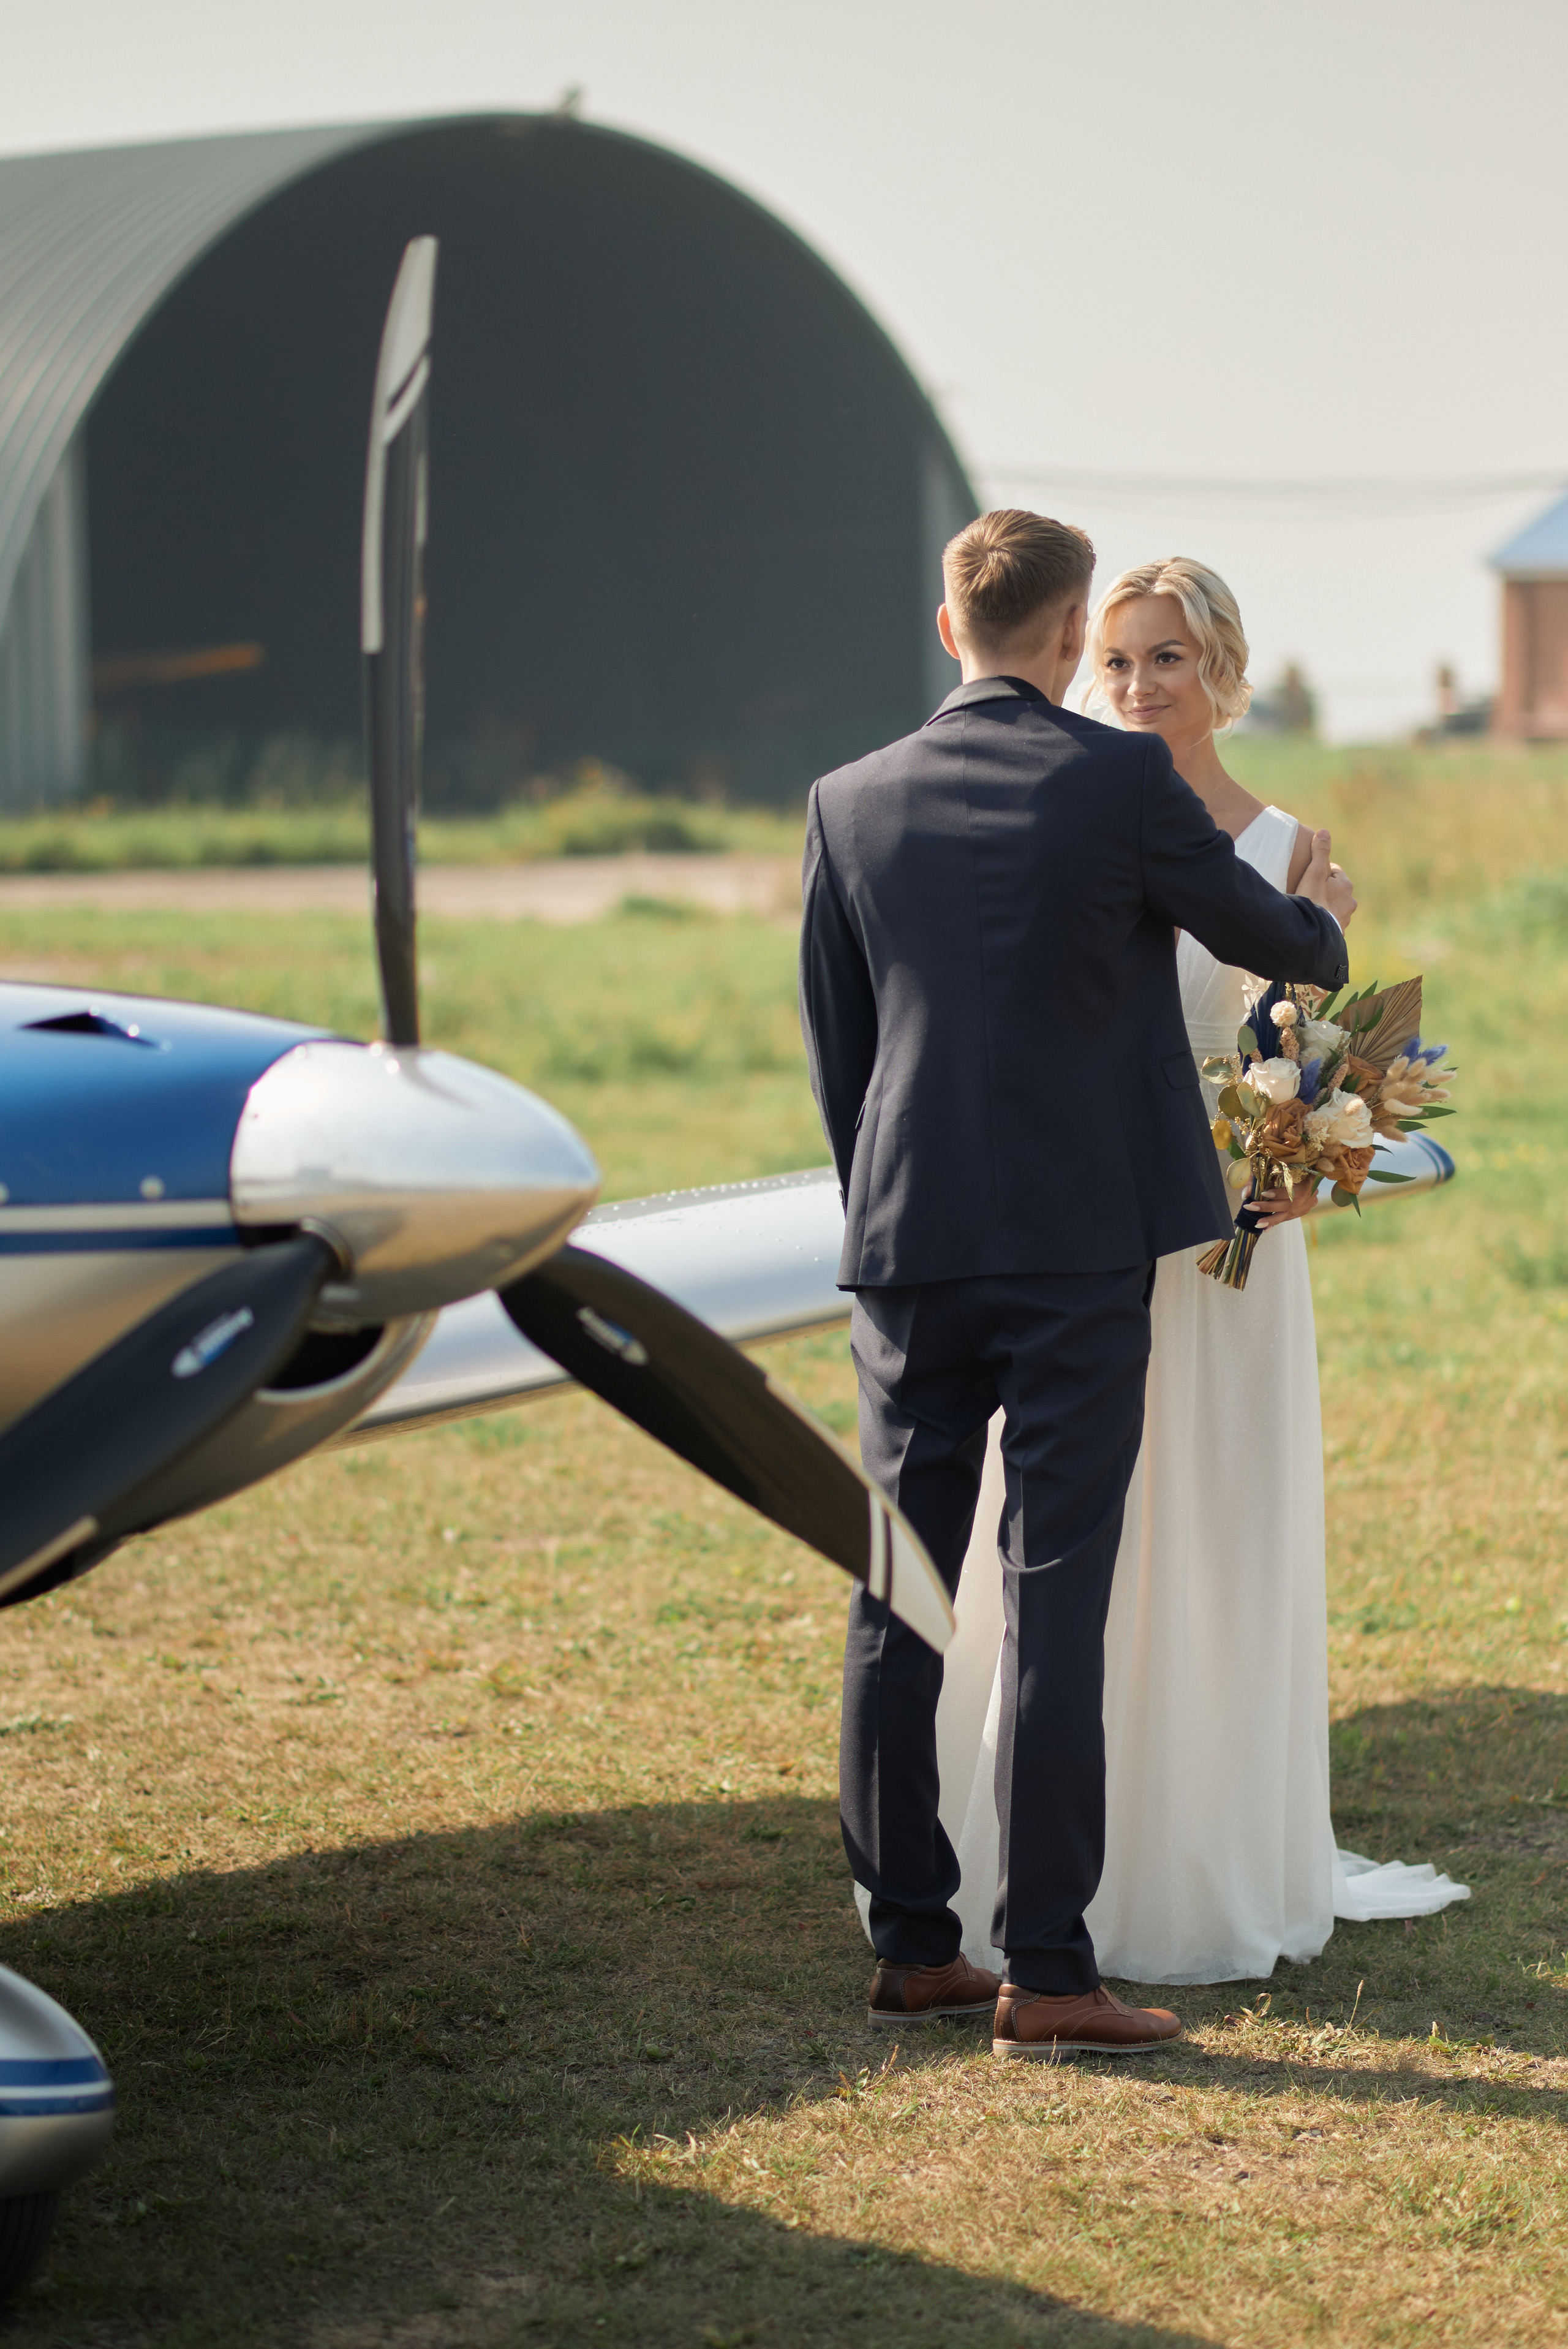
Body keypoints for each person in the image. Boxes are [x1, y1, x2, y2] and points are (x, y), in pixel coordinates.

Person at [799, 512, 1352, 2058]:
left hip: (906, 1244)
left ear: (944, 628)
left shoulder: (845, 800)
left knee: (896, 1581)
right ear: (1060, 644)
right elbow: (1275, 945)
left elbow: (840, 1052)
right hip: (1073, 1251)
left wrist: (889, 1215)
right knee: (1053, 1592)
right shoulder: (1114, 783)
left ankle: (913, 1944)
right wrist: (1322, 916)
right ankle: (1047, 1970)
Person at [934, 558, 1469, 1987]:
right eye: (1113, 659)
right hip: (1077, 1233)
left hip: (1234, 1240)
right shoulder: (1070, 810)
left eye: (1164, 657)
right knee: (1061, 1544)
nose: (1135, 685)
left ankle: (1209, 1843)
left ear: (1217, 667)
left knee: (1217, 1526)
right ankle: (1043, 1855)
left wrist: (1297, 1143)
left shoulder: (1287, 845)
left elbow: (1300, 1043)